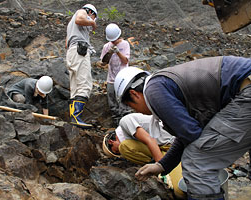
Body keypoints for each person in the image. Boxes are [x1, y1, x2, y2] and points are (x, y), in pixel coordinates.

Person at [113, 56, 251, 200]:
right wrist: (162, 166)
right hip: (244, 86)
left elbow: (192, 137)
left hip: (246, 92)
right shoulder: (163, 84)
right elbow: (186, 135)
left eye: (132, 107)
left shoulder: (153, 92)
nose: (137, 112)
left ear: (134, 94)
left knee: (197, 161)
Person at [103, 113, 185, 199]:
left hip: (174, 145)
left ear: (111, 142)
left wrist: (162, 168)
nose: (119, 154)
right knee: (179, 192)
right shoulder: (131, 140)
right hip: (161, 151)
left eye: (116, 151)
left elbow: (150, 140)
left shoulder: (124, 122)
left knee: (124, 146)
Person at [65, 4, 97, 129]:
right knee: (84, 85)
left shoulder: (70, 26)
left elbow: (67, 42)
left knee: (75, 87)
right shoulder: (82, 11)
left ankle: (73, 118)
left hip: (72, 52)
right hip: (80, 51)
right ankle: (77, 116)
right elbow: (80, 19)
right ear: (91, 13)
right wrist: (92, 23)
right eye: (94, 17)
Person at [100, 23, 131, 126]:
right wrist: (109, 53)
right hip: (111, 79)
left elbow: (125, 61)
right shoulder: (107, 46)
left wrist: (118, 52)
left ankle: (126, 125)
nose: (113, 41)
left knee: (124, 105)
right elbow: (103, 62)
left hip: (123, 79)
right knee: (113, 104)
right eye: (111, 40)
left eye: (115, 39)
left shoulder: (125, 44)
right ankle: (117, 126)